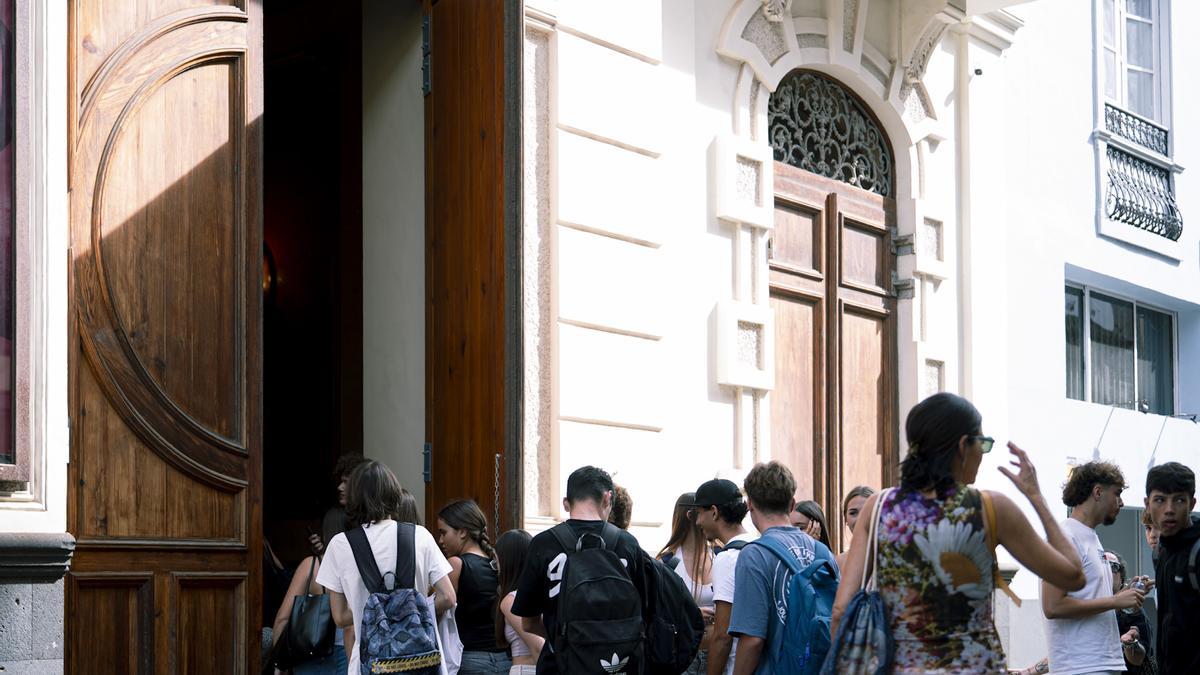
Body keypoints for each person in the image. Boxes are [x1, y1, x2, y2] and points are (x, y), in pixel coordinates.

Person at [832, 392, 1086, 673]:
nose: (983, 453)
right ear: (964, 446)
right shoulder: (990, 508)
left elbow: (841, 610)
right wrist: (1036, 497)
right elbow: (1073, 576)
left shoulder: (877, 507)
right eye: (983, 443)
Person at [316, 460, 456, 675]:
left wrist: (373, 611)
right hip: (421, 663)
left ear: (354, 497)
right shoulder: (420, 535)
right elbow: (448, 597)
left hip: (370, 664)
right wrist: (409, 610)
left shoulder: (340, 545)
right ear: (394, 493)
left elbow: (341, 617)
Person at [511, 465, 650, 674]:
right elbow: (643, 613)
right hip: (619, 665)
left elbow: (528, 623)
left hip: (559, 665)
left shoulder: (543, 543)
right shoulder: (627, 543)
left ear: (566, 503)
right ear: (607, 498)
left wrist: (567, 638)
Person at [728, 461, 837, 674]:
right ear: (792, 504)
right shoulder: (822, 551)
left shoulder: (754, 555)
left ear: (750, 505)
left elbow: (752, 639)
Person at [1041, 461, 1142, 675]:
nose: (1121, 502)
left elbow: (1091, 598)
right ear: (1098, 492)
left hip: (1099, 664)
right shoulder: (1065, 536)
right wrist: (1115, 601)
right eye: (1117, 493)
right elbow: (1053, 606)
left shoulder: (1089, 536)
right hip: (1080, 667)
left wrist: (1126, 594)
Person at [438, 499, 510, 674]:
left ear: (463, 532)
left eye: (443, 532)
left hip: (470, 659)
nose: (440, 540)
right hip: (504, 660)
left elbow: (441, 608)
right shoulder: (497, 564)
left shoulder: (456, 564)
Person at [689, 478, 753, 675]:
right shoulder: (758, 545)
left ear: (714, 512)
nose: (698, 522)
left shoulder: (727, 558)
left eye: (700, 513)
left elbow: (723, 636)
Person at [271, 518, 351, 674]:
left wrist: (279, 662)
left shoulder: (311, 566)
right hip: (346, 651)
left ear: (325, 534)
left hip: (309, 651)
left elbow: (283, 618)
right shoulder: (358, 566)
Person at [1144, 461, 1200, 673]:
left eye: (1179, 500)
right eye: (1160, 500)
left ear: (1192, 504)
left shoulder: (1197, 552)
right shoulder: (1161, 552)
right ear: (1147, 504)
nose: (1169, 510)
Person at [657, 492, 716, 675]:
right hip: (683, 657)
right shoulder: (667, 563)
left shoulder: (721, 556)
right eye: (705, 510)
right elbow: (657, 615)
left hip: (718, 654)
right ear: (690, 515)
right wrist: (692, 615)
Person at [496, 529, 544, 675]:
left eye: (496, 561)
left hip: (527, 669)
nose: (496, 568)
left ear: (507, 562)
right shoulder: (543, 593)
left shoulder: (511, 600)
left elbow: (538, 647)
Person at [1104, 550, 1155, 674]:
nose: (1106, 570)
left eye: (1113, 566)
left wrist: (1131, 643)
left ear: (1121, 579)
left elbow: (1138, 659)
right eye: (1102, 565)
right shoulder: (1082, 607)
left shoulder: (1132, 610)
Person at [310, 453, 368, 556]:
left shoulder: (369, 515)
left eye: (346, 482)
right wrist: (322, 553)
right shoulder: (334, 517)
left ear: (359, 486)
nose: (340, 487)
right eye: (341, 481)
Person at [836, 486, 875, 570]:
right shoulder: (839, 563)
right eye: (853, 513)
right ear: (845, 519)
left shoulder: (891, 556)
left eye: (866, 512)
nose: (859, 519)